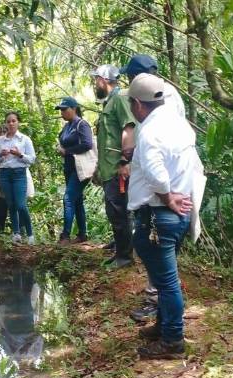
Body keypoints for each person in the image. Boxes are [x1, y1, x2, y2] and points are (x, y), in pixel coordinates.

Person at [125, 73, 202, 359]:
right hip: (177, 214)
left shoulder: (149, 131)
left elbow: (156, 172)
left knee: (167, 282)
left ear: (138, 104)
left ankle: (172, 340)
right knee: (162, 279)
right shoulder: (178, 123)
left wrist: (167, 196)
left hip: (159, 215)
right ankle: (163, 326)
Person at [92, 64, 136, 268]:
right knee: (114, 212)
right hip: (108, 168)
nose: (95, 84)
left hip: (117, 168)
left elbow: (128, 128)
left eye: (96, 80)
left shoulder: (119, 99)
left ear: (103, 80)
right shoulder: (108, 102)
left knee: (119, 212)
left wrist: (125, 162)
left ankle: (125, 257)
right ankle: (120, 250)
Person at [0, 112, 36, 244]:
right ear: (5, 123)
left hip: (19, 173)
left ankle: (30, 235)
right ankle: (16, 233)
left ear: (18, 123)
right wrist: (0, 154)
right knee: (10, 204)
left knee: (21, 205)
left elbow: (32, 159)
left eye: (13, 121)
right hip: (4, 173)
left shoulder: (24, 139)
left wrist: (19, 154)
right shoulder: (0, 140)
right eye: (8, 121)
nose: (11, 124)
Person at [54, 96, 93, 244]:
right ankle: (82, 234)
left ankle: (65, 236)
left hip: (80, 168)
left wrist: (67, 151)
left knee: (68, 198)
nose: (62, 112)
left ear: (74, 109)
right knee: (76, 201)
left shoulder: (82, 124)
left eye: (64, 109)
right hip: (69, 168)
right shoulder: (67, 126)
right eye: (61, 110)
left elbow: (87, 144)